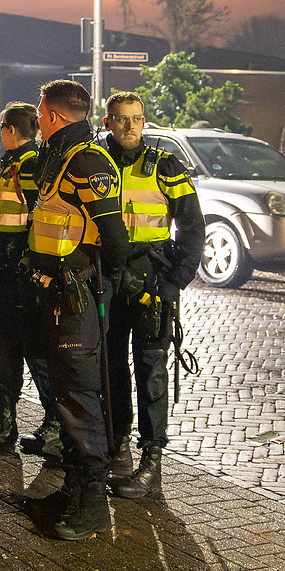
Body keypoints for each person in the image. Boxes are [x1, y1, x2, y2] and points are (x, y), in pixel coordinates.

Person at [26, 80, 129, 540]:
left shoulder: (86, 159)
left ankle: (92, 504)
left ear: (51, 115)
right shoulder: (60, 156)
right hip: (55, 293)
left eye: (41, 112)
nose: (39, 118)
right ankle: (73, 486)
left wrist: (87, 278)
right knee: (66, 393)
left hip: (76, 297)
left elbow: (116, 240)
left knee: (80, 397)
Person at [100, 92, 205, 499]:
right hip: (107, 280)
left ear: (144, 122)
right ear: (108, 122)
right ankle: (117, 445)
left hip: (151, 283)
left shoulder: (164, 166)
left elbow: (193, 227)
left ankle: (152, 461)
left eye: (137, 119)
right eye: (122, 119)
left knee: (151, 370)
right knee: (109, 367)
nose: (130, 127)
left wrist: (175, 280)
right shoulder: (95, 163)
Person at [0, 102, 56, 449]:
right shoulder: (13, 163)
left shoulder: (31, 164)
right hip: (3, 270)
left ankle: (55, 424)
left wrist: (20, 254)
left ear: (9, 130)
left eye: (1, 126)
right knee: (7, 345)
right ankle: (4, 422)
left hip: (21, 274)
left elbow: (40, 217)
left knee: (34, 348)